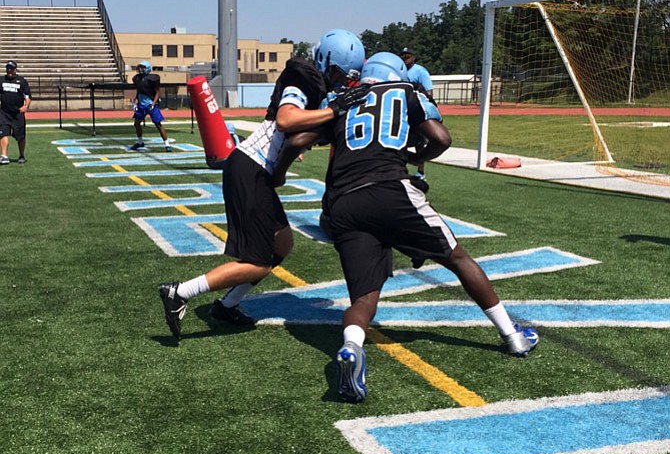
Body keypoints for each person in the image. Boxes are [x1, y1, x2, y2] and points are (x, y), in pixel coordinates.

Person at [279, 52, 539, 403]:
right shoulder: (404, 90)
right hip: (390, 189)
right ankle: (512, 336)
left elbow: (296, 141)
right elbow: (442, 138)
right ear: (399, 74)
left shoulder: (341, 99)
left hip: (344, 203)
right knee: (458, 259)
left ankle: (352, 346)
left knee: (364, 297)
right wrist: (416, 156)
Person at [158, 29, 367, 340]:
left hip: (256, 169)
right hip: (250, 168)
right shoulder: (302, 79)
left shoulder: (315, 82)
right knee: (257, 262)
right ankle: (180, 292)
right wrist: (332, 111)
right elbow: (286, 120)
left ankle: (228, 305)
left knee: (282, 245)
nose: (341, 83)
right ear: (326, 63)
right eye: (340, 75)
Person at [400, 47, 434, 180]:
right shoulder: (399, 71)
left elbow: (429, 93)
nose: (405, 58)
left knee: (420, 143)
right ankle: (402, 169)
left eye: (408, 56)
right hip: (403, 110)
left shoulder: (420, 71)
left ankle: (420, 172)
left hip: (415, 110)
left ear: (414, 57)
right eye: (403, 56)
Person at [130, 60, 172, 152]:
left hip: (151, 105)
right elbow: (139, 91)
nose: (140, 69)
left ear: (147, 68)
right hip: (141, 105)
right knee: (137, 123)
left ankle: (167, 144)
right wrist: (135, 101)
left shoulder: (152, 79)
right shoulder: (137, 78)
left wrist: (153, 103)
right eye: (140, 67)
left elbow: (157, 92)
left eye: (143, 67)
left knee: (158, 124)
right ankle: (140, 142)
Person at [0, 60, 31, 165]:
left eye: (11, 69)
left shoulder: (22, 81)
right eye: (7, 68)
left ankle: (21, 155)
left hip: (18, 113)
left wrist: (25, 106)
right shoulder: (1, 80)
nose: (9, 71)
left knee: (21, 136)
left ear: (15, 69)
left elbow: (27, 96)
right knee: (3, 133)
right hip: (4, 112)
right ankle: (4, 156)